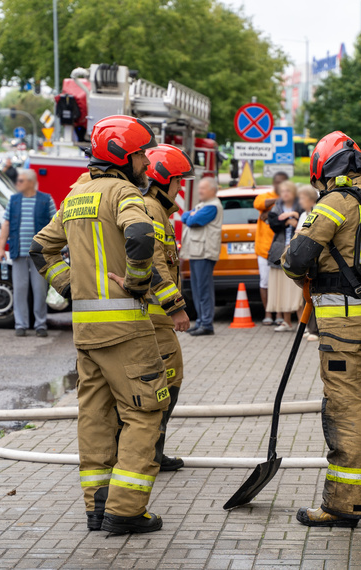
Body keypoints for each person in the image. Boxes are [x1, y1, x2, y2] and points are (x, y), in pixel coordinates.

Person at [30, 115, 168, 535]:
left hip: (86, 333)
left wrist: (71, 287)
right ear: (124, 157)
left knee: (94, 417)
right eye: (142, 153)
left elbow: (40, 249)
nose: (147, 161)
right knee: (146, 413)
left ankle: (97, 506)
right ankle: (125, 511)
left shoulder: (75, 197)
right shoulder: (124, 192)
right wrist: (139, 282)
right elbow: (141, 236)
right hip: (126, 330)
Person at [282, 131, 361, 528]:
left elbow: (295, 260)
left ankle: (343, 504)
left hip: (344, 329)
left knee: (346, 412)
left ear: (326, 171)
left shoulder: (335, 203)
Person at [142, 144, 193, 472]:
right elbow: (154, 263)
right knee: (165, 379)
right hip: (154, 315)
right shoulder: (150, 210)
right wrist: (176, 307)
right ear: (161, 179)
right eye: (177, 180)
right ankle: (149, 451)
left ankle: (153, 449)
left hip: (155, 315)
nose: (181, 187)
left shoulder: (158, 210)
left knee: (168, 377)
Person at [0, 168, 56, 337]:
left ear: (31, 182)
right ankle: (21, 324)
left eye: (21, 181)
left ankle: (40, 324)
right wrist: (1, 248)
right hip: (18, 252)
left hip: (39, 254)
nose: (18, 183)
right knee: (20, 289)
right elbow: (6, 224)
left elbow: (55, 224)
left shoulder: (46, 200)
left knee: (39, 290)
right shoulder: (14, 200)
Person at [180, 177, 223, 336]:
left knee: (203, 290)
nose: (200, 191)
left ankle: (206, 324)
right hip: (196, 252)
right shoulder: (204, 205)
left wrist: (190, 216)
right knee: (197, 289)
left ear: (212, 190)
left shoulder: (211, 206)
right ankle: (200, 322)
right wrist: (189, 216)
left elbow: (192, 220)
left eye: (203, 188)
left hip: (204, 253)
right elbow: (186, 216)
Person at [266, 180, 304, 332]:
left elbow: (304, 218)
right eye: (282, 191)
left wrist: (294, 215)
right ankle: (286, 321)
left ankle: (302, 322)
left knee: (295, 289)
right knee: (281, 288)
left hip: (296, 251)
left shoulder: (300, 205)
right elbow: (274, 223)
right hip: (279, 251)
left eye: (288, 191)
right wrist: (288, 220)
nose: (285, 194)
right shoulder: (276, 207)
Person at [254, 172, 289, 326]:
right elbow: (259, 205)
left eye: (282, 182)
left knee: (280, 283)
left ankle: (280, 313)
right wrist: (278, 201)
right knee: (266, 282)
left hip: (282, 248)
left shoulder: (290, 200)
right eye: (277, 182)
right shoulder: (264, 195)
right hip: (264, 249)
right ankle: (268, 312)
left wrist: (271, 214)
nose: (279, 185)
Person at [296, 184, 320, 341]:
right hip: (304, 259)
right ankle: (309, 327)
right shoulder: (304, 214)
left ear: (311, 199)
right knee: (307, 295)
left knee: (314, 295)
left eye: (302, 198)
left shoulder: (315, 213)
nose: (300, 201)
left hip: (313, 259)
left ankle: (315, 330)